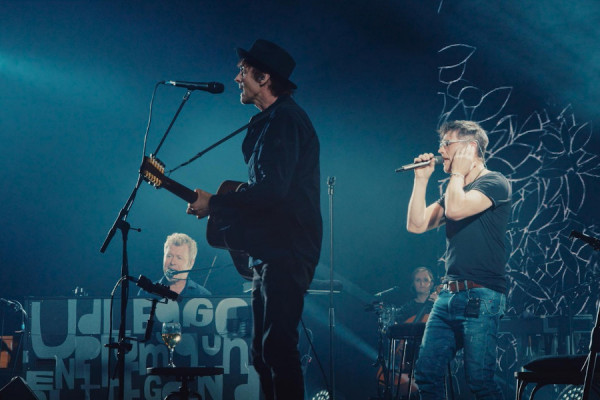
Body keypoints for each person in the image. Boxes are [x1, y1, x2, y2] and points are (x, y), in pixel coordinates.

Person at [186, 39, 322, 400]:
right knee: (262, 353)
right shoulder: (269, 121)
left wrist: (215, 202)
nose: (236, 78)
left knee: (277, 348)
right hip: (270, 250)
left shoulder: (286, 120)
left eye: (243, 71)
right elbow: (264, 191)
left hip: (288, 250)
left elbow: (272, 190)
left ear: (263, 78)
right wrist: (219, 206)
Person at [406, 120, 511, 399]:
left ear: (470, 147)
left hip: (481, 295)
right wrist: (421, 179)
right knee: (426, 375)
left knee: (479, 381)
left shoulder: (495, 182)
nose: (440, 150)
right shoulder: (455, 191)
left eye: (446, 143)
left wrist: (457, 174)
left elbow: (456, 210)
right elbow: (416, 224)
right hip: (447, 296)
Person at [138, 232, 211, 297]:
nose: (172, 262)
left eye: (179, 258)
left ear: (191, 263)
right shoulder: (145, 292)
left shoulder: (203, 295)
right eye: (169, 256)